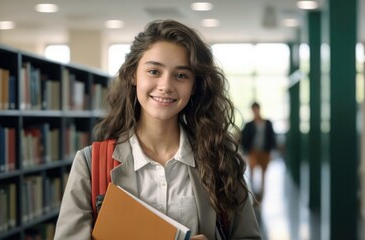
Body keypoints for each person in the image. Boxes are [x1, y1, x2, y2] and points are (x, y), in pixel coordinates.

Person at [54, 19, 261, 240]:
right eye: (154, 71)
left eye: (181, 75)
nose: (165, 86)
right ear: (134, 75)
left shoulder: (220, 159)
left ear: (194, 86)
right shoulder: (89, 164)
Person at [241, 102, 276, 203]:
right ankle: (253, 191)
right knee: (252, 170)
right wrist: (246, 149)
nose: (255, 112)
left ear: (259, 109)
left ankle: (262, 191)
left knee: (264, 172)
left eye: (256, 109)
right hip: (253, 151)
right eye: (253, 110)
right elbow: (244, 138)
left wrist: (271, 149)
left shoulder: (267, 123)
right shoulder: (249, 125)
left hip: (265, 151)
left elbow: (271, 137)